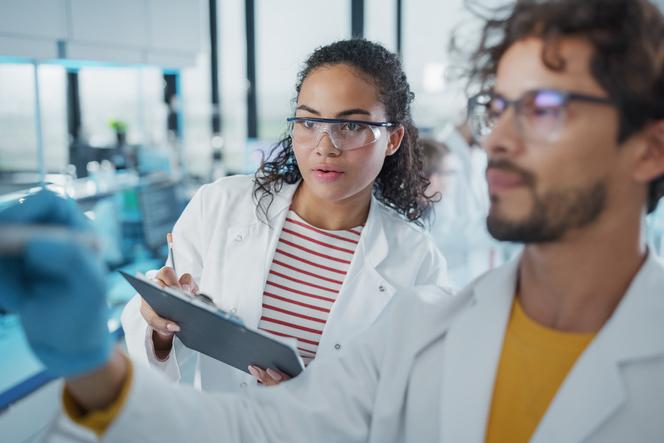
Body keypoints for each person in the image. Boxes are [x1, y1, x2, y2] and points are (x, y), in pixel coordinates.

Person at [1, 0, 663, 441]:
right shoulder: (428, 326)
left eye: (545, 107)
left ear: (651, 147)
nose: (496, 141)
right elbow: (252, 429)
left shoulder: (416, 276)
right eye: (499, 107)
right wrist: (94, 365)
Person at [120, 39, 448, 390]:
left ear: (393, 139)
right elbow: (159, 362)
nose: (325, 147)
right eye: (309, 123)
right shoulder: (219, 205)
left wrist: (313, 406)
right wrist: (158, 329)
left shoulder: (417, 261)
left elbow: (420, 398)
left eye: (351, 127)